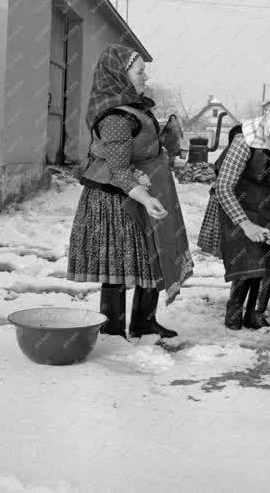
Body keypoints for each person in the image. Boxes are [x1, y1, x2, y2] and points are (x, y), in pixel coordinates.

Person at [68, 45, 193, 339]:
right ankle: (112, 328)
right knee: (119, 263)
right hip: (115, 200)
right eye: (140, 72)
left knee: (149, 257)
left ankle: (143, 322)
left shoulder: (134, 108)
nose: (145, 77)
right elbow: (119, 169)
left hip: (139, 193)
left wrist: (168, 136)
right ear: (119, 75)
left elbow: (142, 147)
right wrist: (146, 197)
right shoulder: (115, 118)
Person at [197, 103, 270, 330]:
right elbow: (223, 187)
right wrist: (245, 224)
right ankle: (234, 310)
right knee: (246, 255)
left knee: (269, 255)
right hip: (239, 199)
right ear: (267, 132)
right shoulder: (244, 142)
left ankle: (256, 312)